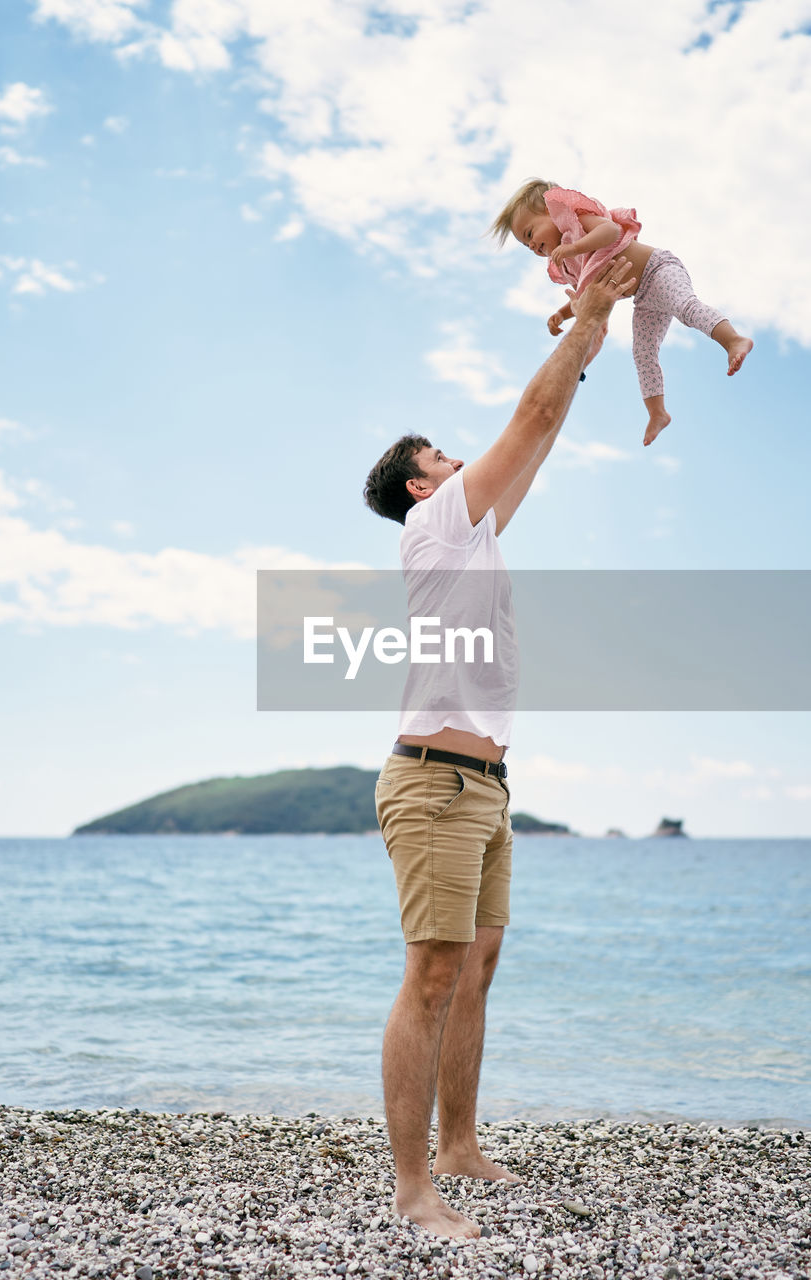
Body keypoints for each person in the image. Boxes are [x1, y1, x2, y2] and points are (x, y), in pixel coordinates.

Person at [362, 257, 635, 1239]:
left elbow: (539, 432)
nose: (460, 458)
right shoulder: (436, 523)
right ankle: (411, 1191)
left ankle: (459, 1144)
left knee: (474, 967)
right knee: (430, 973)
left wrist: (591, 340)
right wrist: (588, 319)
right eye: (442, 452)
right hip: (433, 785)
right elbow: (527, 418)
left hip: (484, 786)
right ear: (418, 482)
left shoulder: (470, 532)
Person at [490, 179, 753, 446]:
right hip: (644, 298)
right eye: (526, 246)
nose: (532, 246)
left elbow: (611, 232)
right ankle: (657, 412)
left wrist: (575, 247)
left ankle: (733, 340)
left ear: (552, 211)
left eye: (530, 234)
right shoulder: (569, 263)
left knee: (685, 307)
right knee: (643, 351)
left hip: (659, 269)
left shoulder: (578, 223)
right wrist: (562, 313)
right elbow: (586, 294)